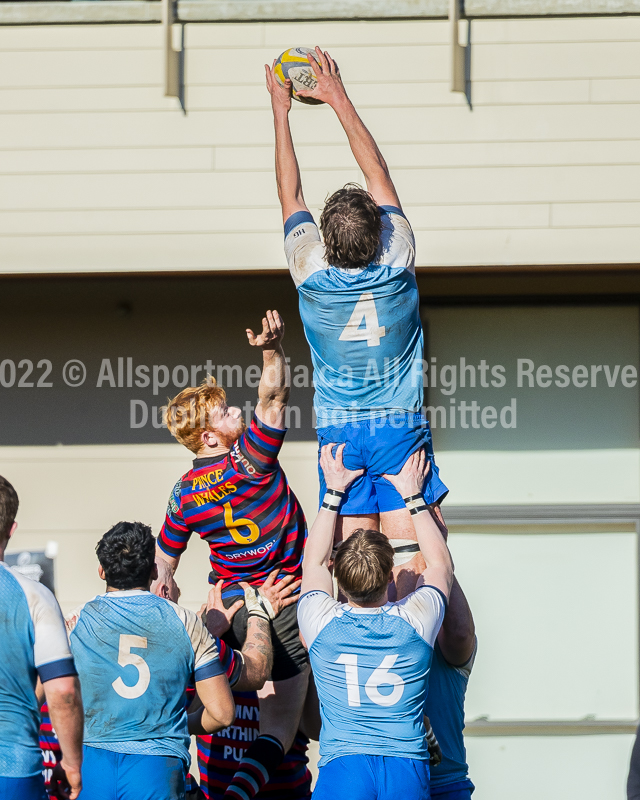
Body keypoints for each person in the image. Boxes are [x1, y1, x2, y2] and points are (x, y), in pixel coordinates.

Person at [265, 47, 448, 584]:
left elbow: (289, 192)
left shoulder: (310, 272)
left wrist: (281, 108)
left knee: (354, 572)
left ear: (326, 240)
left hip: (340, 431)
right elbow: (379, 175)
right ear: (380, 232)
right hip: (398, 427)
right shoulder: (397, 260)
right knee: (416, 564)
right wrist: (337, 95)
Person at [157, 310, 310, 800]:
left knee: (236, 709)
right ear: (209, 436)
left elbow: (164, 562)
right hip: (282, 597)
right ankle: (239, 793)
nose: (232, 411)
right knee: (287, 722)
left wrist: (166, 599)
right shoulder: (251, 457)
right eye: (222, 412)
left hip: (231, 604)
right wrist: (271, 350)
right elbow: (274, 394)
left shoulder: (182, 493)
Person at [297, 447, 453, 800]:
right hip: (405, 767)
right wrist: (414, 495)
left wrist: (333, 492)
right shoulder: (415, 621)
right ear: (389, 577)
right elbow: (440, 565)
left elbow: (314, 564)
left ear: (340, 579)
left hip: (344, 767)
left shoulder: (320, 622)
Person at [66, 521, 236, 800]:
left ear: (101, 570)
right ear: (154, 570)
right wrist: (174, 722)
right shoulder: (185, 621)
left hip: (92, 762)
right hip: (157, 766)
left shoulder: (76, 620)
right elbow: (222, 713)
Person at [0, 475, 83, 800]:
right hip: (12, 768)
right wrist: (73, 764)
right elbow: (62, 692)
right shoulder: (35, 595)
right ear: (11, 529)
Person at [423, 517, 477, 800]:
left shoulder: (449, 640)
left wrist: (438, 555)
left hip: (443, 782)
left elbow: (460, 633)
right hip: (383, 778)